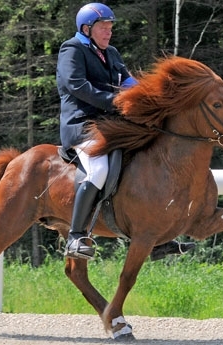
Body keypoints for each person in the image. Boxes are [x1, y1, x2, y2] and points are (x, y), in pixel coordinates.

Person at [57, 2, 194, 260]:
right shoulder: (72, 49)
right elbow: (77, 86)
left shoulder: (112, 53)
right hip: (82, 125)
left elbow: (129, 83)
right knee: (98, 170)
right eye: (103, 28)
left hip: (111, 124)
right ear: (87, 29)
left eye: (110, 28)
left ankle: (156, 237)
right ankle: (75, 237)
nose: (109, 32)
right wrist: (116, 101)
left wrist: (155, 98)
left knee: (146, 159)